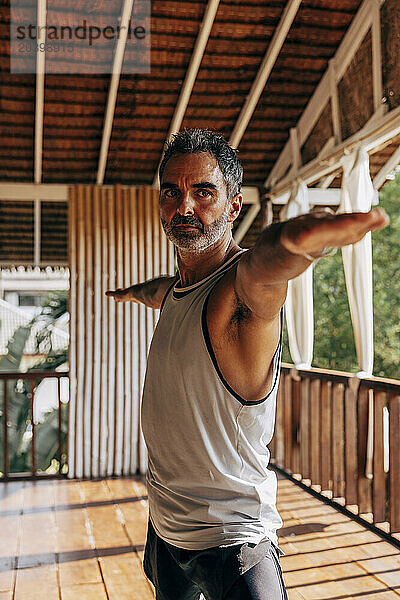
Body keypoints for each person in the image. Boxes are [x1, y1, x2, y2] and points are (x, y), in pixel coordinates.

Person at [106, 129, 388, 599]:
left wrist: (304, 239)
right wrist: (133, 293)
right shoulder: (180, 289)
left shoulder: (238, 294)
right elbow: (163, 291)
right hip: (166, 527)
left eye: (204, 192)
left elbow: (270, 260)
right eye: (172, 192)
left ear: (234, 207)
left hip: (232, 545)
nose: (184, 207)